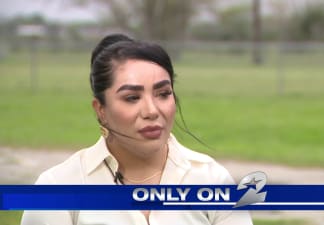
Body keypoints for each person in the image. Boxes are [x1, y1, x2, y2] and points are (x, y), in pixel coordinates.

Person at [21, 33, 253, 225]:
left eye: (163, 94)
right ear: (100, 109)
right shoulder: (58, 188)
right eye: (132, 97)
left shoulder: (212, 180)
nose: (151, 111)